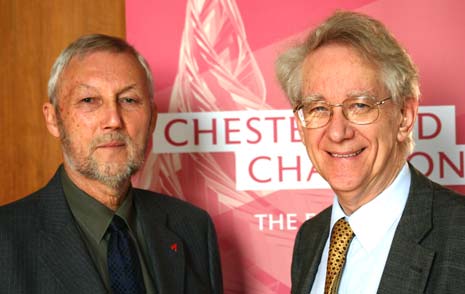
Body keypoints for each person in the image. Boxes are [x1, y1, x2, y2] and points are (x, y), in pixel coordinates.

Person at [0, 34, 223, 294]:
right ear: (53, 120)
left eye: (129, 100)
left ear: (152, 120)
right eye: (89, 101)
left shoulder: (193, 228)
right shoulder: (6, 240)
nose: (113, 120)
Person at [275, 10, 465, 294]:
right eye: (318, 108)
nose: (338, 132)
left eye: (360, 105)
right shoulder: (311, 237)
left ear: (404, 116)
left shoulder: (459, 234)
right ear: (301, 127)